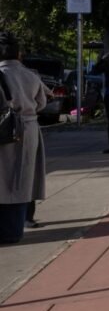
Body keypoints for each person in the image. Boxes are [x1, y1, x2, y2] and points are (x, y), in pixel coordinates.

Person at [0, 32, 49, 244]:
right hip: (28, 129)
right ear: (18, 53)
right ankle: (15, 228)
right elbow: (42, 103)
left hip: (4, 130)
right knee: (23, 179)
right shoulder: (31, 75)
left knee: (2, 180)